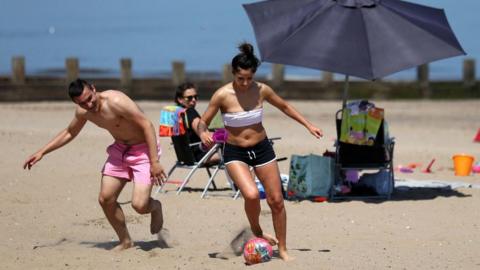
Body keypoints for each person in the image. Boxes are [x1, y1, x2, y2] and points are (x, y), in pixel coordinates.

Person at [197, 43, 323, 261]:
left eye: (249, 78)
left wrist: (308, 125)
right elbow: (202, 121)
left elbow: (285, 107)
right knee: (252, 195)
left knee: (276, 200)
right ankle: (257, 230)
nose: (245, 83)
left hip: (262, 148)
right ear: (233, 74)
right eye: (240, 78)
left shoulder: (262, 90)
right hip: (235, 151)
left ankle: (282, 249)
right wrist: (203, 133)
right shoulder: (222, 95)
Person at [23, 79, 167, 251]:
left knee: (140, 205)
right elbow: (70, 132)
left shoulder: (116, 101)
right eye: (82, 102)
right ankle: (125, 241)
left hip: (143, 150)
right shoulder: (84, 111)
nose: (89, 104)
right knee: (106, 199)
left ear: (93, 88)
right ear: (76, 103)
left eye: (90, 98)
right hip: (120, 150)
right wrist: (42, 152)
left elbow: (147, 125)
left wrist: (154, 162)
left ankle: (156, 207)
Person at [174, 82, 220, 163]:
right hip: (202, 155)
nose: (194, 100)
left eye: (195, 97)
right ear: (180, 99)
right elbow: (206, 137)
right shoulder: (190, 112)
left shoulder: (177, 114)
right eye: (189, 98)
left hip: (185, 156)